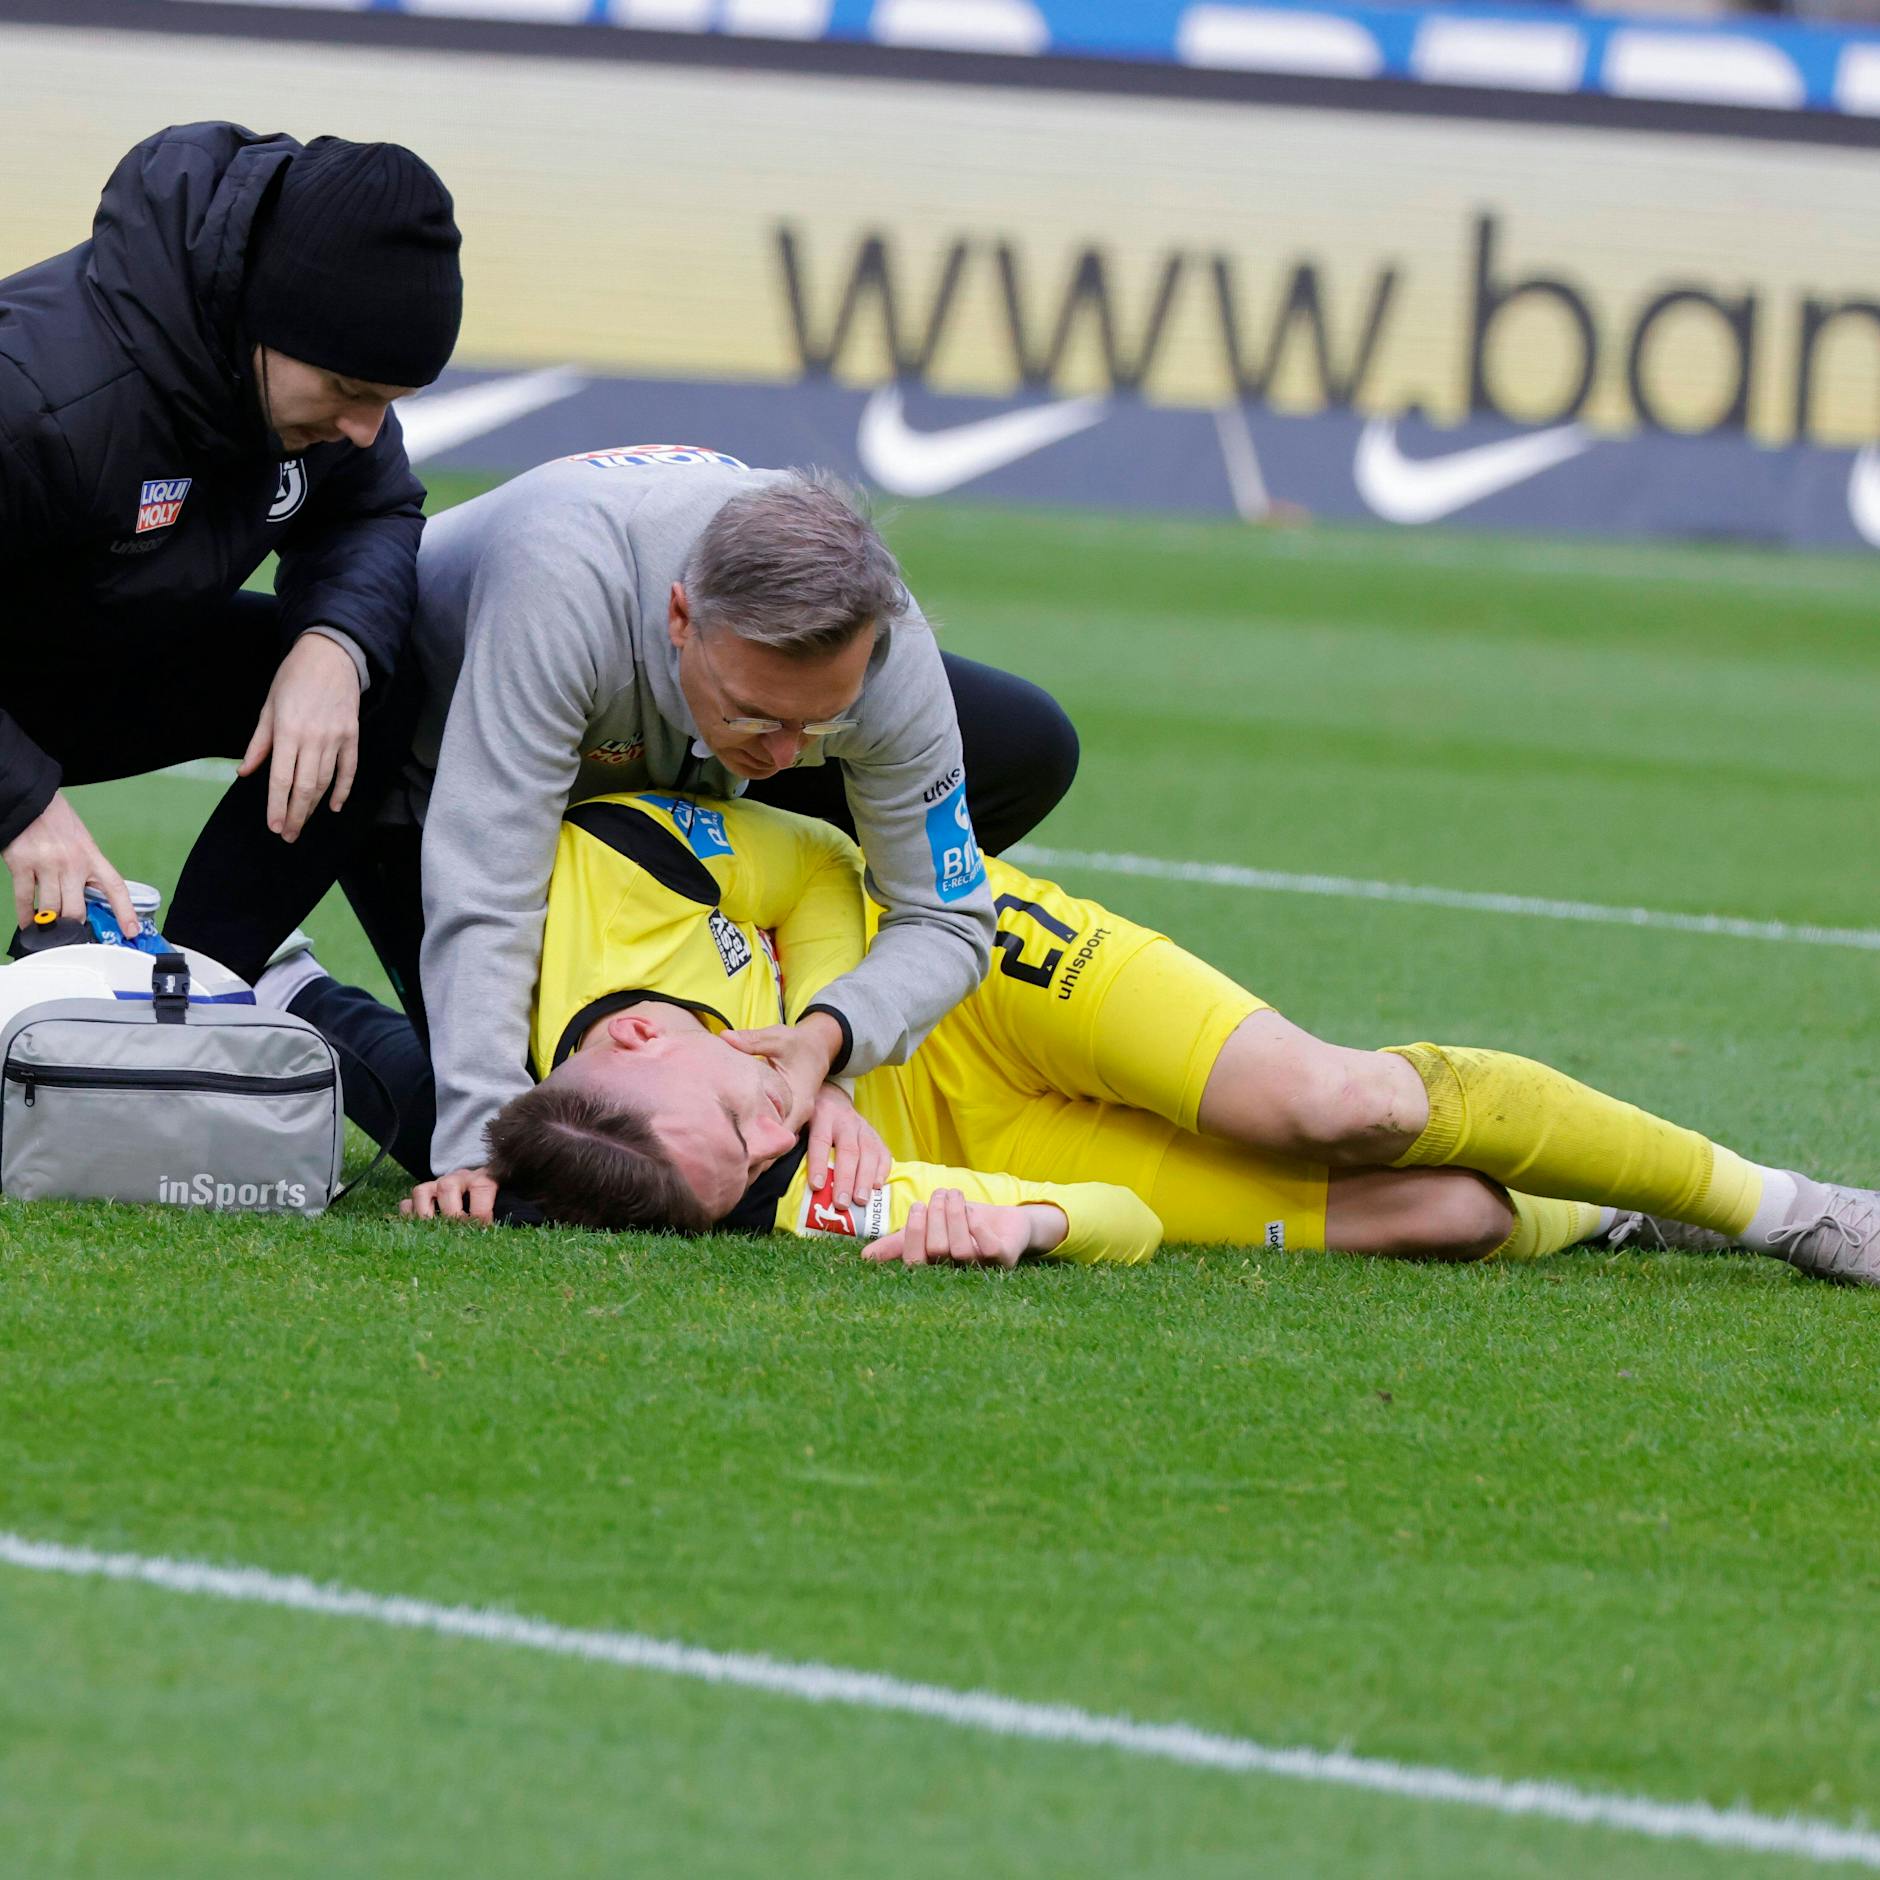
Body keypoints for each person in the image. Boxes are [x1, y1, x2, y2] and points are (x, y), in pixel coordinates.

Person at [281, 786, 1878, 1282]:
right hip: (980, 1141)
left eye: (747, 1124)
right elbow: (1098, 1225)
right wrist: (1020, 1224)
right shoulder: (720, 1176)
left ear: (629, 1053)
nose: (783, 1154)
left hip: (971, 972)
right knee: (1444, 1213)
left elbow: (815, 866)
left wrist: (826, 1046)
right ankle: (1617, 1200)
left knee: (1345, 1107)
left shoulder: (591, 881)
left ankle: (1790, 1208)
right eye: (757, 1174)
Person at [346, 460, 1078, 1190]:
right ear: (680, 617)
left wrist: (825, 1040)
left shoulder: (890, 656)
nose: (788, 755)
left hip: (669, 770)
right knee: (566, 1154)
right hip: (425, 760)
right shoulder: (561, 589)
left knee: (1028, 743)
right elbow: (488, 886)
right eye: (755, 711)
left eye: (820, 723)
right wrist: (481, 1150)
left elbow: (947, 918)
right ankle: (296, 990)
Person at [0, 121, 462, 984]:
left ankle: (201, 994)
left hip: (79, 660)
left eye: (389, 402)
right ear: (260, 318)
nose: (368, 428)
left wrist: (333, 645)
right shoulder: (37, 394)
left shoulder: (311, 372)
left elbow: (377, 508)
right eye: (350, 393)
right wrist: (22, 804)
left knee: (384, 676)